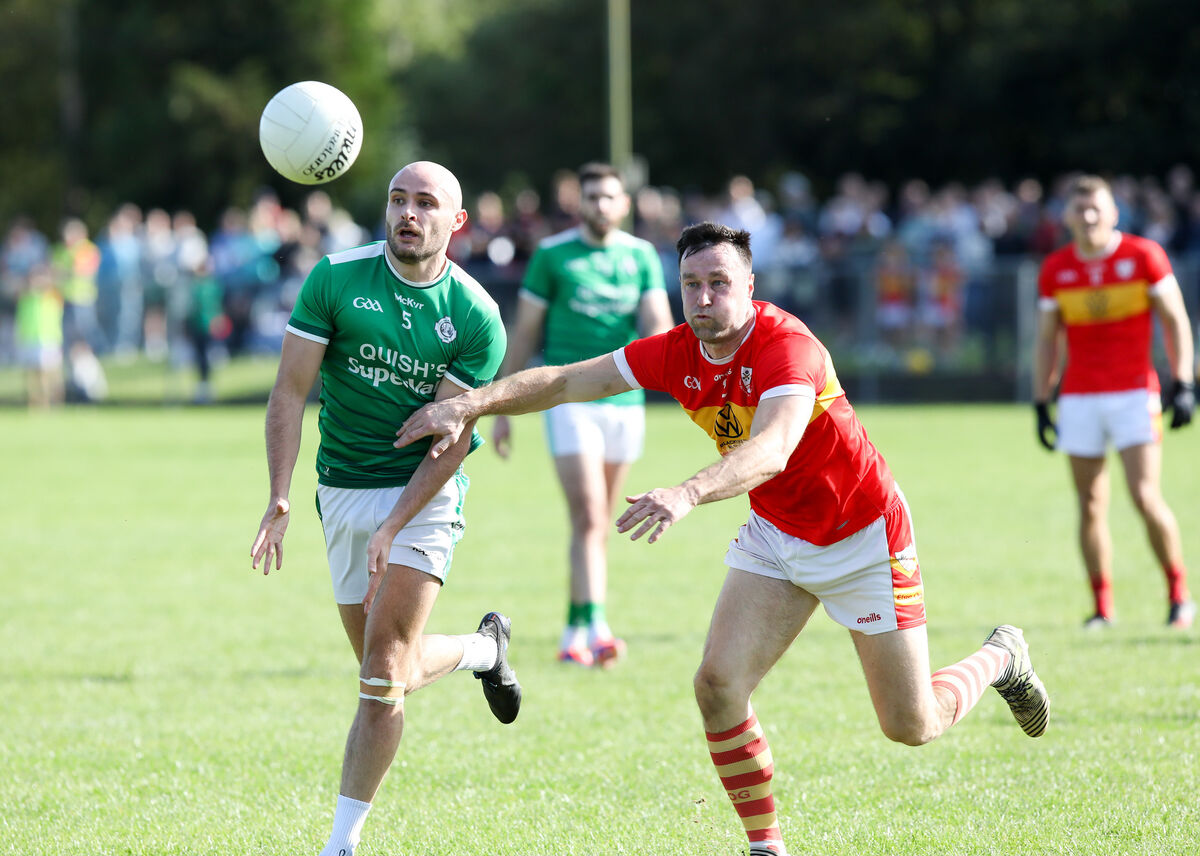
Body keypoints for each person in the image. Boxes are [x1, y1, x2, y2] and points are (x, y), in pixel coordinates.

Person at [396, 222, 1050, 856]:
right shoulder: (677, 350)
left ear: (750, 284)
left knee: (910, 725)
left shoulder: (787, 347)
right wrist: (471, 403)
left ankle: (1001, 656)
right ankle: (765, 845)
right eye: (692, 284)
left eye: (719, 283)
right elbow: (568, 380)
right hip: (777, 536)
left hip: (863, 537)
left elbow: (771, 449)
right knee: (716, 685)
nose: (704, 298)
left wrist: (685, 493)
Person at [249, 160, 522, 856]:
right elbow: (288, 392)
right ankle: (483, 649)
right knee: (387, 673)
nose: (408, 213)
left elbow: (450, 441)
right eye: (398, 199)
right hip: (339, 487)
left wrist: (397, 524)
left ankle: (341, 843)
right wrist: (280, 494)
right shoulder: (336, 278)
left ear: (456, 222)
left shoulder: (475, 315)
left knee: (379, 677)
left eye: (426, 203)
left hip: (421, 491)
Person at [493, 162, 674, 667]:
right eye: (591, 196)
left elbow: (659, 325)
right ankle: (594, 629)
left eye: (609, 197)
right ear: (580, 204)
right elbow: (526, 332)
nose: (600, 205)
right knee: (591, 515)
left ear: (624, 204)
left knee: (598, 524)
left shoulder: (640, 257)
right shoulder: (553, 256)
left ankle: (578, 624)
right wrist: (503, 406)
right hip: (569, 402)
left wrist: (681, 366)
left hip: (626, 402)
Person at [1032, 174, 1196, 630]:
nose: (1088, 217)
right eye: (1079, 210)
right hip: (1080, 399)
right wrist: (1041, 400)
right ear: (1067, 217)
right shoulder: (1056, 268)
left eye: (1096, 209)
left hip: (1132, 394)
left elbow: (1176, 320)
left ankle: (1179, 595)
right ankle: (1102, 608)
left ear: (1113, 212)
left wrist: (1183, 382)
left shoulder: (1144, 255)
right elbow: (1047, 341)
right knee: (1089, 505)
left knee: (1145, 496)